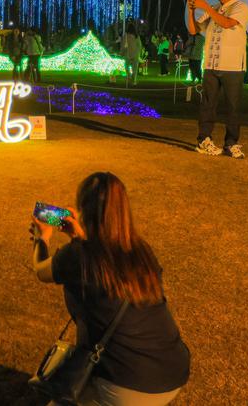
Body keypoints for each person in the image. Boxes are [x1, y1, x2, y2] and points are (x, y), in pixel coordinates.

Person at [30, 172, 190, 405]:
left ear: (83, 210)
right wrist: (78, 237)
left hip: (129, 383)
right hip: (173, 369)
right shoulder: (141, 250)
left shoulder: (80, 255)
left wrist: (41, 238)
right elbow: (104, 259)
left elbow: (40, 270)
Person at [187, 0, 248, 158]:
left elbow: (227, 23)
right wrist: (191, 9)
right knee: (207, 105)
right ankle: (204, 140)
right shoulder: (213, 9)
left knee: (233, 107)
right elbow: (193, 30)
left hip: (233, 67)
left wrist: (205, 6)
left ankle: (231, 143)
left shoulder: (241, 7)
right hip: (211, 65)